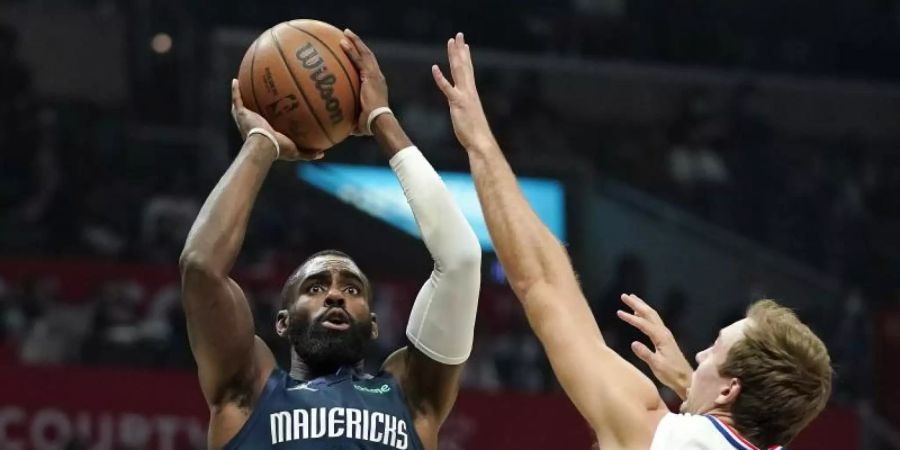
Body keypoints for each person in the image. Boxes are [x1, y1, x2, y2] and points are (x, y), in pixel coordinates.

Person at [431, 32, 832, 450]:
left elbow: (541, 283)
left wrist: (479, 141)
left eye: (713, 349)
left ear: (731, 391)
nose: (696, 358)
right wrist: (691, 386)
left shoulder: (655, 432)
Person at [179, 30, 481, 450]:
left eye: (352, 289)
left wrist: (381, 118)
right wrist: (261, 144)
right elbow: (200, 267)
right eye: (315, 287)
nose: (335, 295)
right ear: (282, 322)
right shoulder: (248, 393)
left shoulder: (410, 397)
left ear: (374, 325)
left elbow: (462, 260)